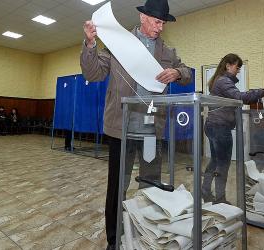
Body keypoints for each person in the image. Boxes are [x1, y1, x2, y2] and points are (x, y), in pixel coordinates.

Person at [81, 0, 192, 249]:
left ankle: (148, 234)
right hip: (121, 128)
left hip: (152, 131)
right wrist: (90, 44)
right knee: (117, 187)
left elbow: (186, 72)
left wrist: (177, 73)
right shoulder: (121, 44)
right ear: (143, 18)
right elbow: (93, 73)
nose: (160, 27)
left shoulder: (167, 51)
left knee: (151, 186)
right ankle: (114, 239)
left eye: (163, 22)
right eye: (156, 21)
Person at [202, 53, 264, 204]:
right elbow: (239, 97)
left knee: (215, 161)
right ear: (228, 65)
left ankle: (205, 191)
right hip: (220, 127)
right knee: (223, 164)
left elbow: (235, 97)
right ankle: (220, 199)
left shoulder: (219, 81)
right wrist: (260, 92)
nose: (238, 70)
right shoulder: (224, 81)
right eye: (237, 67)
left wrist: (257, 96)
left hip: (214, 125)